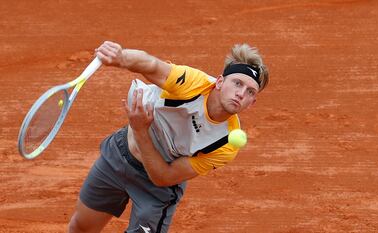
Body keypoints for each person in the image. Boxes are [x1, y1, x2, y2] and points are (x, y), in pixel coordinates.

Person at [68, 41, 269, 233]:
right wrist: (121, 57)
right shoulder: (193, 83)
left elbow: (163, 177)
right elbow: (151, 64)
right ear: (219, 82)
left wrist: (140, 131)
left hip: (155, 188)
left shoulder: (226, 145)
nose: (240, 93)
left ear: (252, 103)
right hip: (119, 156)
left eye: (250, 91)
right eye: (237, 83)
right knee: (81, 227)